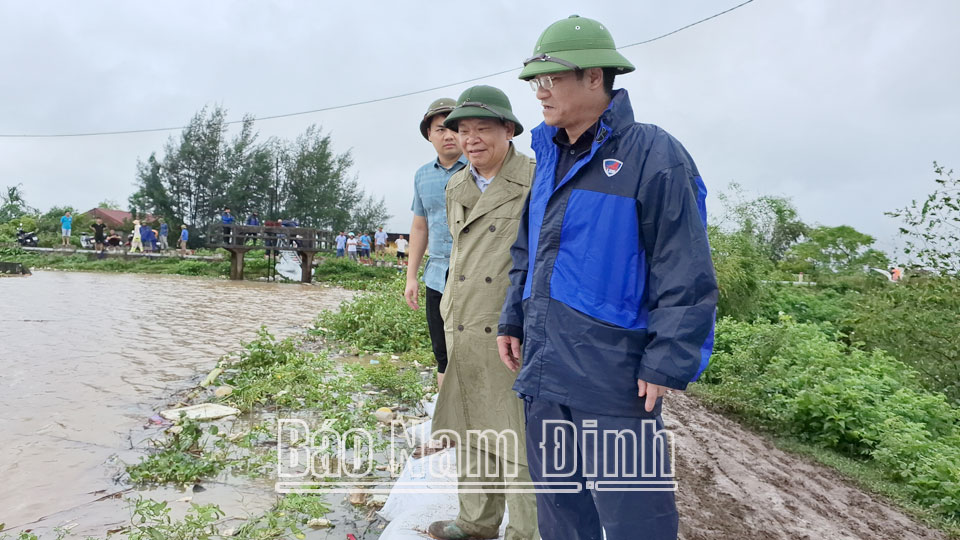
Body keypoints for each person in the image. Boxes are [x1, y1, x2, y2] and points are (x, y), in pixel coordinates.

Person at [497, 16, 719, 540]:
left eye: (551, 79)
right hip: (545, 366)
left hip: (613, 371)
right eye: (535, 81)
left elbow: (683, 265)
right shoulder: (548, 155)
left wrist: (667, 358)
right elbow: (529, 248)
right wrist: (512, 318)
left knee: (634, 514)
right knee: (559, 508)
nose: (539, 92)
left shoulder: (653, 154)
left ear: (595, 77)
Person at [427, 86, 539, 540]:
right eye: (463, 130)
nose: (471, 139)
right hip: (462, 319)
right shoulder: (456, 184)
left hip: (510, 326)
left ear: (508, 130)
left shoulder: (535, 179)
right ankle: (476, 522)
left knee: (517, 436)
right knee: (470, 425)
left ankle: (527, 532)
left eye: (483, 129)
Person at [404, 97, 467, 390]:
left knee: (474, 348)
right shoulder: (422, 175)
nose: (448, 135)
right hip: (437, 274)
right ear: (429, 134)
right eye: (440, 129)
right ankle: (448, 413)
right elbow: (420, 226)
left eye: (454, 128)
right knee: (442, 353)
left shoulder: (479, 168)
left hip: (474, 273)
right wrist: (411, 277)